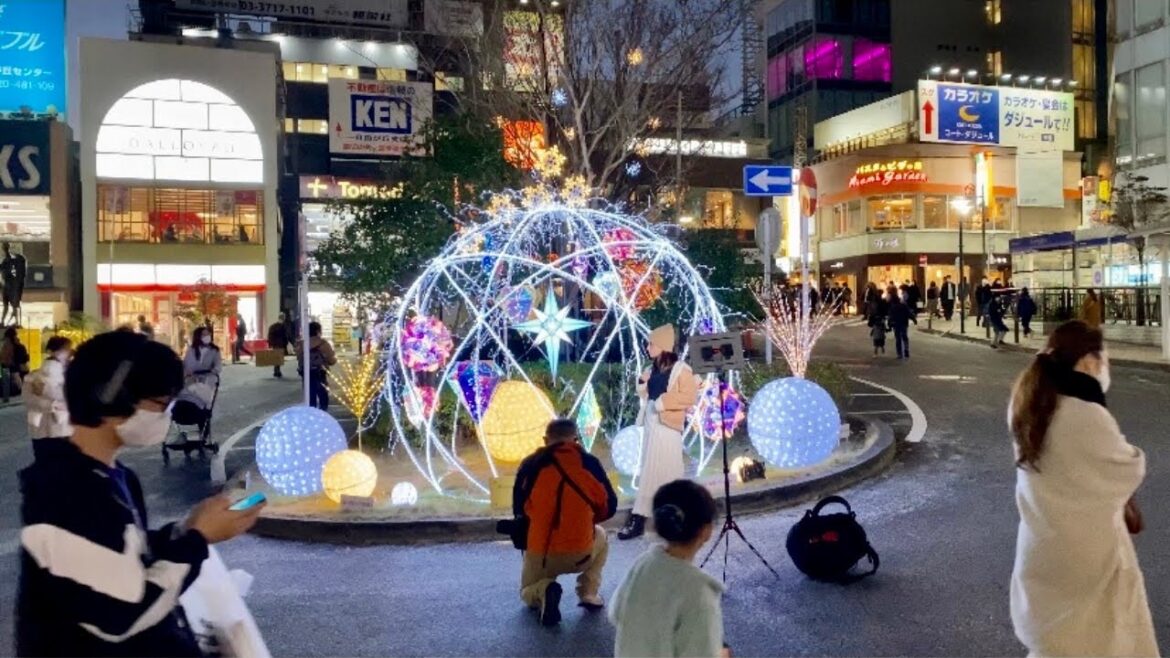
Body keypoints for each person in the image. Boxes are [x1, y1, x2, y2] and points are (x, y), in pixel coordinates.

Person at [16, 330, 264, 656]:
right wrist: (196, 540)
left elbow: (124, 557)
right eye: (161, 404)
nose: (166, 415)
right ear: (111, 396)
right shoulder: (62, 492)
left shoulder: (115, 477)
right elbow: (120, 616)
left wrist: (186, 530)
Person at [1007, 321, 1155, 657]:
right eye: (1105, 359)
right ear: (1088, 361)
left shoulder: (1029, 406)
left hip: (1041, 548)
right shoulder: (1086, 415)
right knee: (1097, 639)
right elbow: (1128, 466)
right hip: (1088, 558)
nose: (1107, 367)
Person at [514, 418, 618, 627]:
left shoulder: (530, 465)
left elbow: (519, 510)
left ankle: (543, 589)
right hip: (581, 554)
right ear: (575, 440)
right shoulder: (590, 464)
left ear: (545, 440)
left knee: (526, 593)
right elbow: (609, 506)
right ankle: (588, 593)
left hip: (540, 555)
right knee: (602, 536)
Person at [610, 480, 725, 658]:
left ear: (657, 525)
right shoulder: (699, 592)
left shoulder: (642, 564)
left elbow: (615, 613)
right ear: (707, 531)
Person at [620, 324, 700, 541]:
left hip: (667, 426)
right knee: (650, 467)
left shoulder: (681, 369)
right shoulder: (653, 367)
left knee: (666, 469)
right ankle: (655, 516)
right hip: (652, 423)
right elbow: (649, 395)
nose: (647, 347)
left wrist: (663, 403)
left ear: (663, 346)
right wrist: (643, 384)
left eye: (651, 343)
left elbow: (689, 397)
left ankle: (646, 517)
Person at [24, 336, 72, 459]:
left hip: (38, 428)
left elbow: (28, 400)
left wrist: (47, 404)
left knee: (43, 462)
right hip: (62, 428)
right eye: (67, 350)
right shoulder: (67, 377)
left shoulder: (32, 376)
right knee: (62, 466)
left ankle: (31, 475)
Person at [297, 321, 337, 411]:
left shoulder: (302, 344)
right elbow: (331, 361)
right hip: (320, 373)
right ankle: (322, 415)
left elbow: (299, 358)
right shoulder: (323, 344)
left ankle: (312, 416)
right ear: (318, 331)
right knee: (323, 397)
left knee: (310, 397)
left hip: (306, 374)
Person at [1, 241, 26, 326]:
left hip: (11, 286)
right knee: (7, 305)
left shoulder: (13, 261)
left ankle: (14, 321)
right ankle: (3, 321)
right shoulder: (7, 261)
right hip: (7, 286)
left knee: (13, 305)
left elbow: (9, 261)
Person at [1, 325, 31, 393]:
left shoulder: (7, 347)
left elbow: (4, 360)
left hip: (12, 371)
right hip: (20, 371)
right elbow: (25, 359)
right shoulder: (20, 346)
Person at [887, 287, 914, 359]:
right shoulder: (903, 306)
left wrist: (889, 325)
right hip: (904, 323)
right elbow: (909, 313)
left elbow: (891, 317)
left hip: (896, 324)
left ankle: (899, 354)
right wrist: (914, 319)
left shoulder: (893, 308)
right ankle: (906, 350)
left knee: (898, 339)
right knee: (904, 337)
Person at [267, 313, 291, 378]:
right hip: (280, 344)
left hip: (275, 344)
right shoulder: (283, 326)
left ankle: (276, 371)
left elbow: (270, 336)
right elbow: (285, 336)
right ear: (283, 318)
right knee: (279, 358)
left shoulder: (273, 326)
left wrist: (270, 344)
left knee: (277, 358)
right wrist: (287, 343)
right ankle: (277, 371)